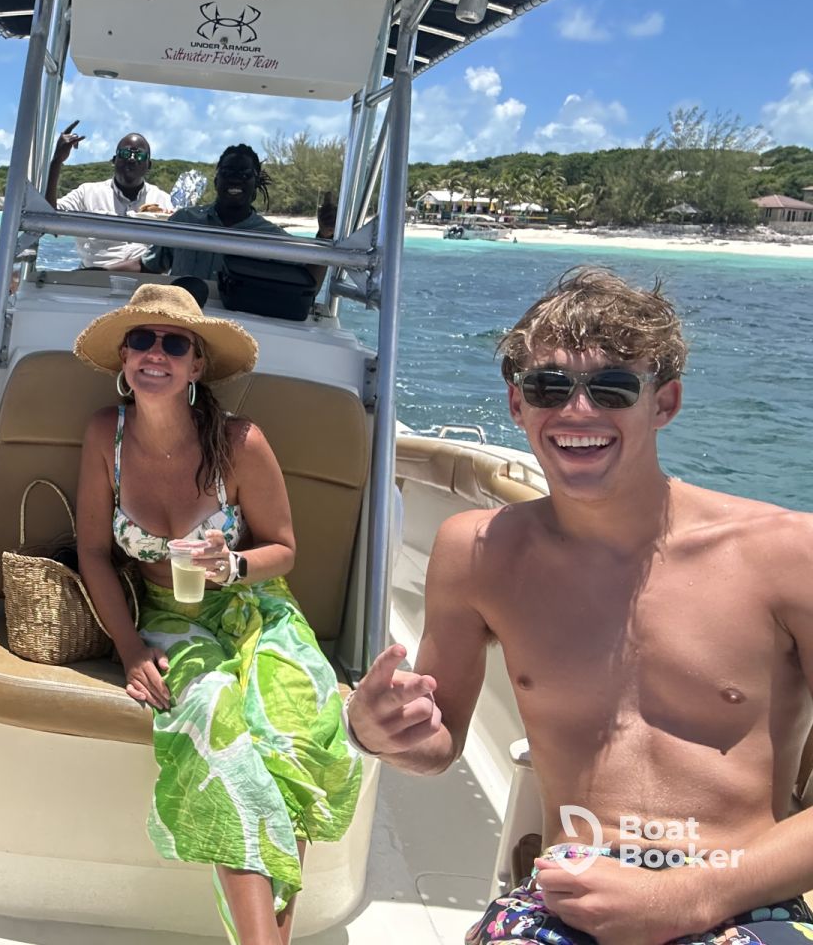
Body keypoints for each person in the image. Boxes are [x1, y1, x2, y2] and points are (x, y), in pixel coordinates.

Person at [348, 267, 813, 945]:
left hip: (738, 896)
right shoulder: (477, 552)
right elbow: (435, 745)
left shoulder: (788, 555)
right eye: (549, 387)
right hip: (565, 901)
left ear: (665, 402)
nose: (578, 411)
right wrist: (375, 731)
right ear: (518, 405)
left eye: (613, 388)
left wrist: (690, 895)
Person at [72, 283, 361, 945]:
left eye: (175, 343)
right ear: (124, 357)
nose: (156, 354)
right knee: (209, 718)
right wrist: (130, 649)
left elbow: (283, 550)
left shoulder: (241, 442)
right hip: (167, 615)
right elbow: (92, 552)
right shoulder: (103, 435)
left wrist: (231, 566)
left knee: (294, 732)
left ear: (197, 365)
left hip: (256, 608)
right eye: (142, 340)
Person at [143, 144, 337, 287]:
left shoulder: (272, 237)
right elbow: (148, 266)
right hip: (181, 318)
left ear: (256, 183)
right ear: (216, 180)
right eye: (228, 172)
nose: (235, 179)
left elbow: (308, 284)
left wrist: (325, 235)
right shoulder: (184, 220)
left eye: (245, 174)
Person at [44, 122, 173, 270]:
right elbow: (49, 221)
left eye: (139, 155)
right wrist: (57, 161)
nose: (132, 159)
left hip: (147, 281)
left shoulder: (163, 200)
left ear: (148, 165)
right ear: (114, 160)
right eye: (125, 154)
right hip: (93, 280)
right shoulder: (87, 193)